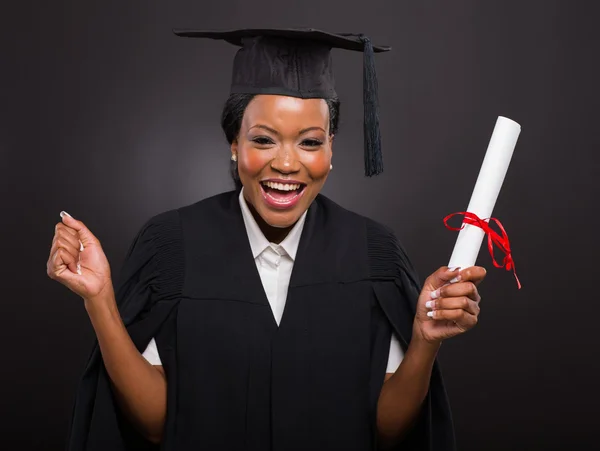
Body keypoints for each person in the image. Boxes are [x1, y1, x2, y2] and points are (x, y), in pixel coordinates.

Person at [47, 28, 485, 451]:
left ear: (331, 149)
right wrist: (100, 299)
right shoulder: (172, 247)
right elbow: (157, 425)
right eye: (263, 139)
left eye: (310, 142)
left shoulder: (373, 255)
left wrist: (426, 341)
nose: (287, 162)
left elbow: (387, 432)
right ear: (234, 142)